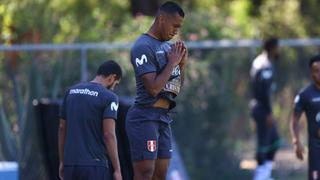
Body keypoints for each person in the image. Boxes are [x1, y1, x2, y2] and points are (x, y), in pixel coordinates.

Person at [125, 1, 187, 180]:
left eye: (179, 27)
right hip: (144, 117)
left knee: (160, 175)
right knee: (145, 174)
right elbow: (152, 88)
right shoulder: (143, 46)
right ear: (161, 19)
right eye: (174, 25)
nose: (176, 30)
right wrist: (172, 63)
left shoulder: (169, 48)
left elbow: (174, 90)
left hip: (163, 118)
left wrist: (182, 66)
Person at [58, 60, 123, 180]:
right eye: (116, 84)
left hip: (70, 165)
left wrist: (62, 161)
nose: (114, 88)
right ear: (112, 78)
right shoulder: (110, 97)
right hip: (95, 166)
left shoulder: (70, 92)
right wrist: (118, 169)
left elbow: (62, 129)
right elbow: (109, 134)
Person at [250, 37, 281, 180]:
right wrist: (268, 112)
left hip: (262, 108)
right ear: (272, 47)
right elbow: (264, 91)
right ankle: (260, 176)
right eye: (277, 46)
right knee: (264, 142)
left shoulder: (265, 61)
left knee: (275, 140)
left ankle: (265, 173)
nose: (278, 49)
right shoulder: (264, 64)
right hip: (262, 109)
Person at [290, 54, 320, 180]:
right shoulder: (305, 95)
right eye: (316, 71)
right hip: (315, 148)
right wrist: (296, 142)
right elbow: (294, 119)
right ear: (311, 73)